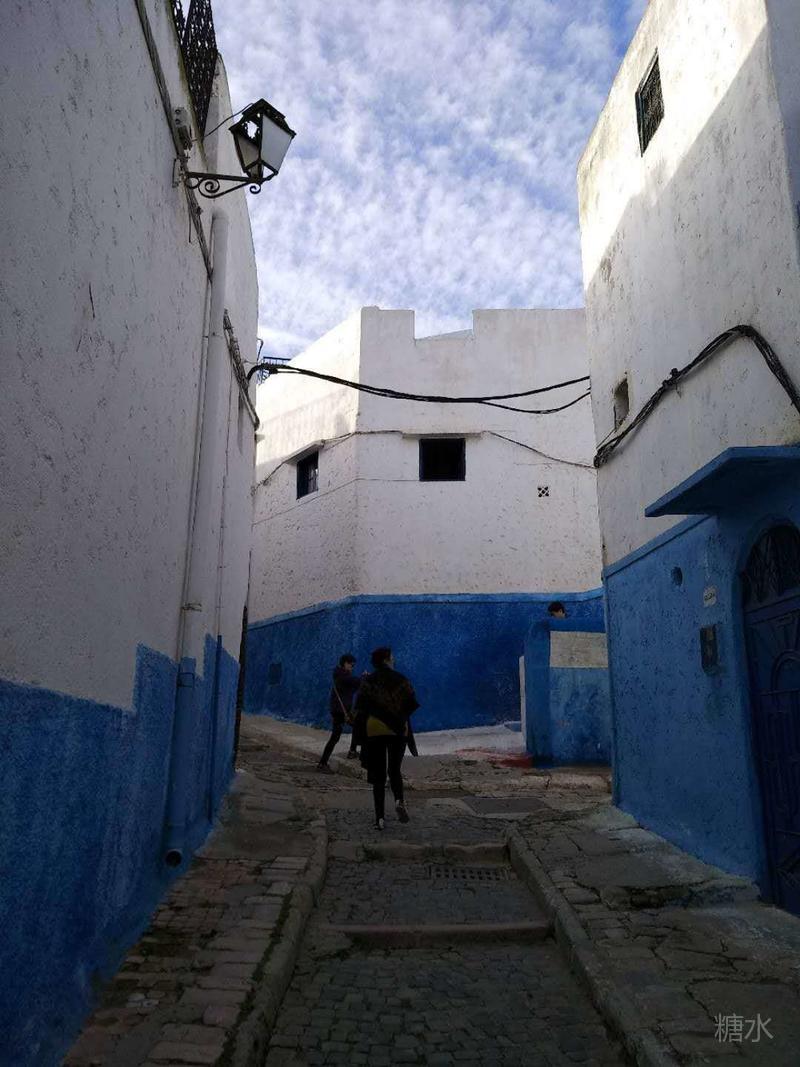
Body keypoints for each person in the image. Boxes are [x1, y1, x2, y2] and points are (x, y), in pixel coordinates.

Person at [355, 646, 419, 830]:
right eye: (392, 657)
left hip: (375, 729)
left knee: (378, 775)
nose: (394, 659)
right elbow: (410, 702)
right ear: (385, 660)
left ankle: (380, 819)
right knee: (394, 770)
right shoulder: (402, 679)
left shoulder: (369, 681)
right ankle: (399, 800)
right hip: (398, 730)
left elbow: (361, 705)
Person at [317, 653, 362, 773]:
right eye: (351, 665)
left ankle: (352, 751)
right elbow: (355, 682)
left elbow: (353, 686)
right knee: (335, 737)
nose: (352, 667)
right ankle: (322, 763)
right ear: (345, 663)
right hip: (340, 711)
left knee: (357, 726)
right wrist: (364, 677)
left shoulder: (341, 675)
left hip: (342, 710)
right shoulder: (342, 676)